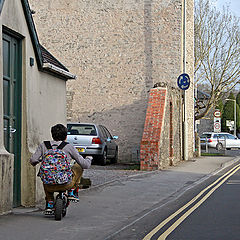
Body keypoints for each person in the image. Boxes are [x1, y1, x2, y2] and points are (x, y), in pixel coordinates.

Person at [30, 124, 92, 214]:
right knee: (78, 166)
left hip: (48, 186)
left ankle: (49, 202)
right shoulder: (69, 147)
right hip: (66, 184)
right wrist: (89, 159)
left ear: (52, 135)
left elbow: (33, 160)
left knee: (45, 173)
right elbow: (85, 165)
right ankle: (72, 191)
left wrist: (39, 161)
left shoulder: (44, 145)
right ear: (66, 136)